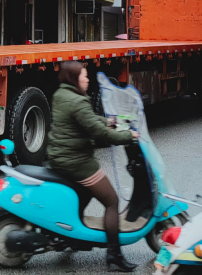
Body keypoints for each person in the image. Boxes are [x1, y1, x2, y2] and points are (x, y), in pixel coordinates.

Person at [46, 61, 140, 272]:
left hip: (59, 156)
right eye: (84, 76)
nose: (87, 79)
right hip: (76, 161)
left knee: (85, 194)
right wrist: (128, 136)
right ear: (74, 79)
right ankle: (114, 254)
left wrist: (109, 121)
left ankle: (71, 237)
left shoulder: (62, 94)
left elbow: (86, 121)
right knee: (112, 201)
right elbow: (99, 134)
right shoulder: (79, 102)